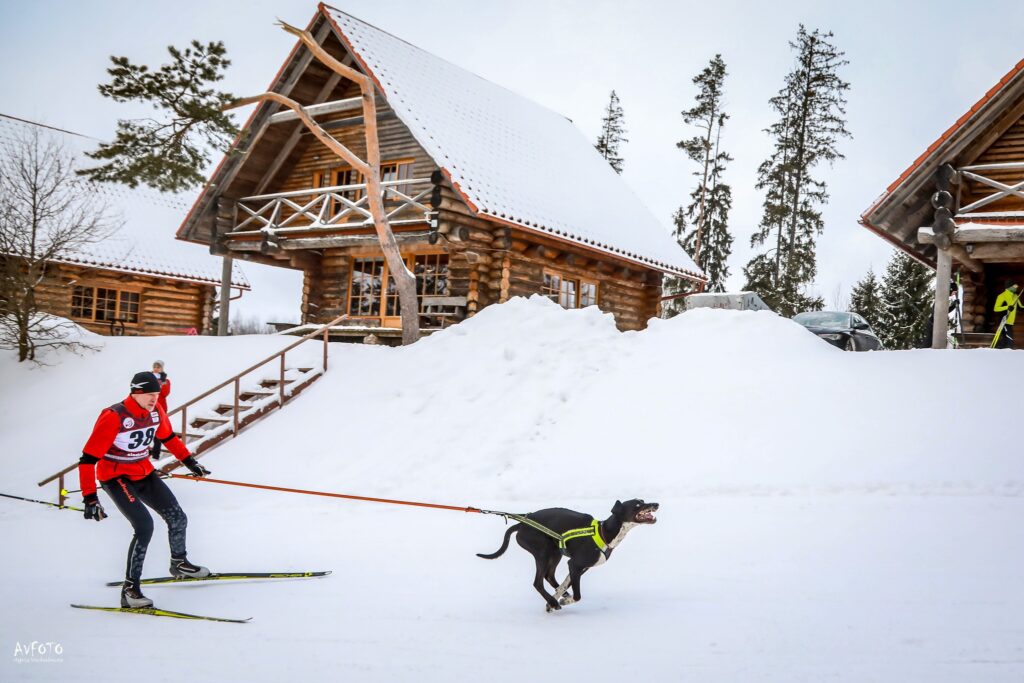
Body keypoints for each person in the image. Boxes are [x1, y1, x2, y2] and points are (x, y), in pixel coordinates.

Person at [79, 371, 212, 608]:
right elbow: (88, 460)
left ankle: (179, 563)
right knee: (144, 527)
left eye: (157, 395)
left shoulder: (156, 411)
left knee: (177, 517)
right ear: (136, 393)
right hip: (116, 477)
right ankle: (130, 590)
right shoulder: (114, 416)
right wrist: (90, 498)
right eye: (150, 394)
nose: (154, 399)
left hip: (143, 473)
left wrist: (190, 462)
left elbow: (168, 437)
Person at [149, 360, 170, 459]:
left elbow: (165, 393)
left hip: (160, 408)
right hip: (148, 407)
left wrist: (163, 381)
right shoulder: (149, 378)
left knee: (158, 430)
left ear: (162, 368)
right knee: (149, 429)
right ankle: (147, 452)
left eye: (158, 367)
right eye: (155, 367)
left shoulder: (165, 380)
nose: (156, 369)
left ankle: (155, 454)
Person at [993, 283, 1021, 349]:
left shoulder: (1016, 296)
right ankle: (1006, 349)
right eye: (1014, 286)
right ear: (1009, 287)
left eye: (1016, 286)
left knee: (1004, 337)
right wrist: (1007, 307)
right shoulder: (1002, 296)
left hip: (1010, 321)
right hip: (1004, 320)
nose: (1016, 287)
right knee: (1009, 338)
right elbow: (996, 308)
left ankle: (1001, 349)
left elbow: (1020, 307)